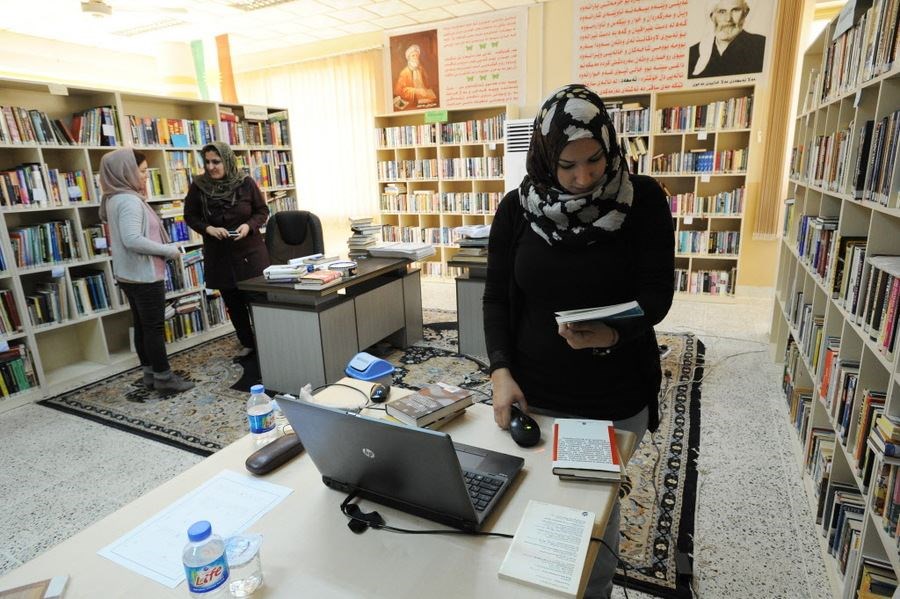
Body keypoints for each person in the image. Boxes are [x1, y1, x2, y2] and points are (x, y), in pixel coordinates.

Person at [483, 84, 675, 598]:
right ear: (545, 158)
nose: (584, 177)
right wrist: (500, 371)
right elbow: (497, 300)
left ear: (611, 146)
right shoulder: (516, 208)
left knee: (593, 522)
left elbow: (657, 295)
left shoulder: (645, 200)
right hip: (535, 390)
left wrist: (612, 332)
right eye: (567, 166)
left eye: (594, 161)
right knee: (530, 515)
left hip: (611, 392)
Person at [100, 148, 194, 393]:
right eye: (141, 172)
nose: (145, 177)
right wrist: (168, 250)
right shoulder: (130, 201)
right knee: (153, 328)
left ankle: (150, 374)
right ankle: (164, 378)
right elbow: (132, 239)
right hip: (144, 274)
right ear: (126, 172)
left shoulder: (114, 197)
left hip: (129, 274)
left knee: (142, 326)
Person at [184, 141, 270, 360]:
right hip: (220, 255)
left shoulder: (246, 183)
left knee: (259, 301)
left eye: (217, 161)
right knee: (233, 302)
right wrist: (208, 228)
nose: (211, 166)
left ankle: (269, 341)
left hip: (250, 253)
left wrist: (248, 226)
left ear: (228, 161)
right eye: (208, 162)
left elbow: (262, 211)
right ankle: (248, 343)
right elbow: (190, 216)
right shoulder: (198, 186)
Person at [687, 0, 766, 79]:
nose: (728, 19)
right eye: (722, 12)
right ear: (712, 16)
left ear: (745, 13)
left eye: (735, 10)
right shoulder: (693, 54)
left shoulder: (762, 46)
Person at [393, 43, 438, 110]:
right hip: (412, 100)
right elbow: (399, 91)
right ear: (408, 58)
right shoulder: (404, 73)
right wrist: (416, 91)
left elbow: (427, 85)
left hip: (423, 98)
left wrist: (426, 91)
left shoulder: (421, 69)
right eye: (413, 55)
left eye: (417, 55)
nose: (415, 57)